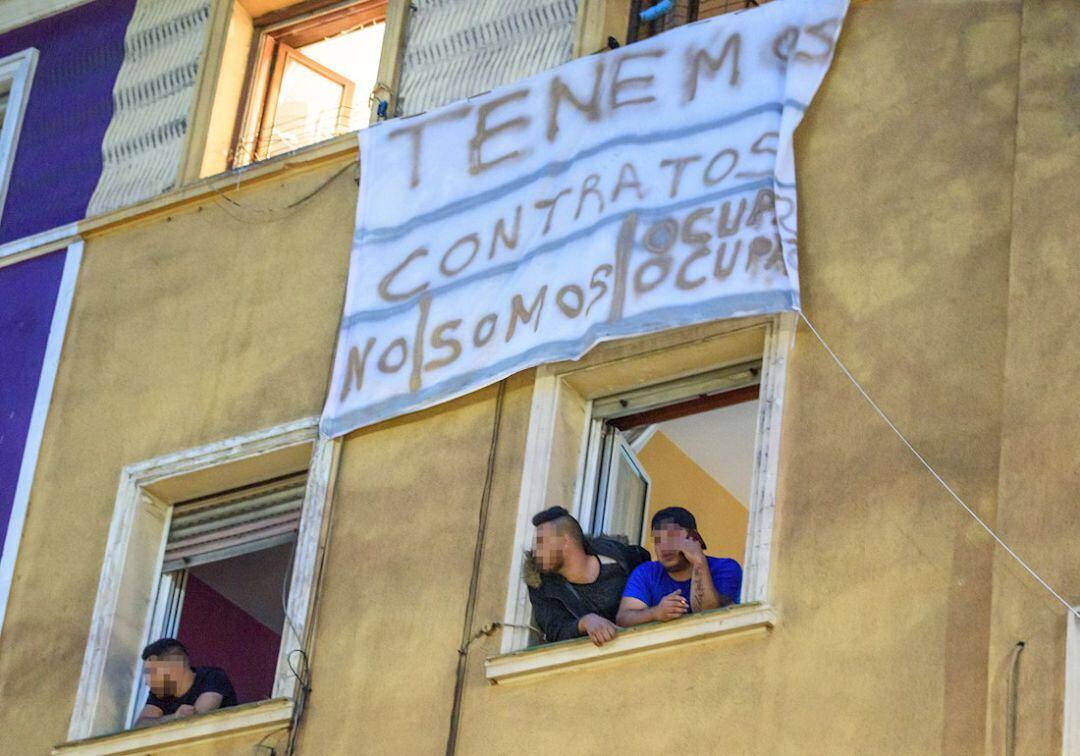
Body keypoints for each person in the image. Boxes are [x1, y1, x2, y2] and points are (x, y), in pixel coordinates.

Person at [527, 506, 649, 646]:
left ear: (565, 541)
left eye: (542, 543)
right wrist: (585, 622)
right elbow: (556, 630)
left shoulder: (620, 558)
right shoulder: (543, 589)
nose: (536, 553)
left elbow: (653, 578)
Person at [616, 507, 741, 627]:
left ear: (693, 538)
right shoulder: (646, 572)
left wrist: (699, 563)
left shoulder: (726, 568)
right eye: (658, 540)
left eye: (671, 537)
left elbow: (708, 615)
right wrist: (656, 613)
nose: (664, 547)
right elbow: (624, 619)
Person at [134, 638, 238, 728]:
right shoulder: (160, 692)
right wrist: (174, 717)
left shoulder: (212, 677)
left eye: (153, 674)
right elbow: (139, 726)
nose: (148, 682)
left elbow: (195, 720)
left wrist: (166, 721)